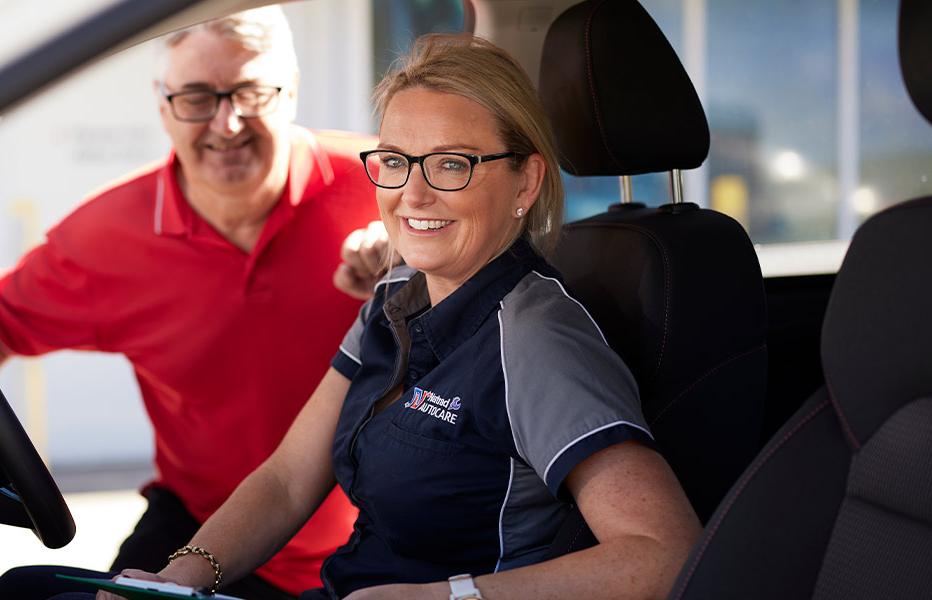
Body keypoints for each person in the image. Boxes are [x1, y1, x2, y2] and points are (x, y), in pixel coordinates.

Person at [100, 33, 703, 600]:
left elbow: (664, 553)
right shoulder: (395, 298)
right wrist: (178, 578)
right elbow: (288, 480)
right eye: (395, 160)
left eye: (450, 164)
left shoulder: (533, 337)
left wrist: (447, 596)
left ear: (526, 182)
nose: (411, 195)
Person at [0, 7, 387, 600]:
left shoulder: (386, 186)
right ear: (163, 106)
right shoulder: (108, 236)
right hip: (200, 525)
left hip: (380, 536)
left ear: (290, 93)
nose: (227, 121)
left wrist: (415, 260)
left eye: (250, 92)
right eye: (196, 97)